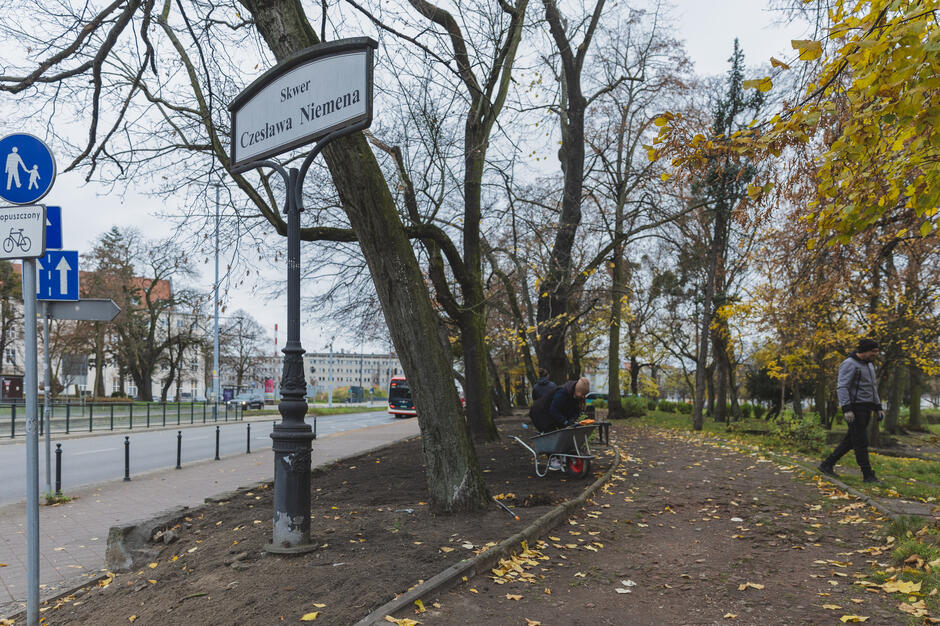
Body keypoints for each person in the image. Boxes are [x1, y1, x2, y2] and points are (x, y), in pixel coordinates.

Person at [818, 338, 884, 483]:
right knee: (861, 441)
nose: (875, 354)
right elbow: (842, 387)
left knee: (851, 440)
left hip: (867, 408)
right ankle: (868, 475)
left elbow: (873, 388)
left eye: (877, 352)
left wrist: (878, 407)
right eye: (873, 351)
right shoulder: (849, 364)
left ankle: (827, 464)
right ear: (865, 350)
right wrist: (847, 408)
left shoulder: (870, 365)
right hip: (855, 408)